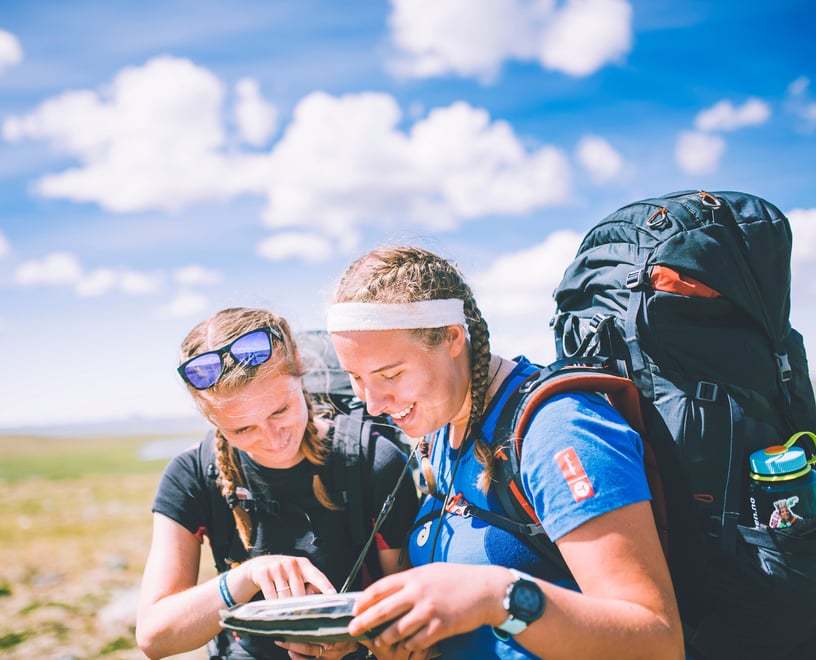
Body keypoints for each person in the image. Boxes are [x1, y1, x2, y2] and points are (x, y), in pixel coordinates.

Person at [326, 246, 685, 659]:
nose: (372, 403)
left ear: (452, 338)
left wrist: (499, 597)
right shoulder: (442, 426)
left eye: (390, 374)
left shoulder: (558, 429)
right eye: (355, 378)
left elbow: (656, 642)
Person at [136, 307, 420, 660]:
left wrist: (358, 641)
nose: (273, 440)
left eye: (280, 411)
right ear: (212, 420)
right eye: (242, 429)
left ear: (299, 368)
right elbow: (154, 637)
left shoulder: (373, 461)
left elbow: (413, 624)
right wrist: (246, 577)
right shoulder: (192, 474)